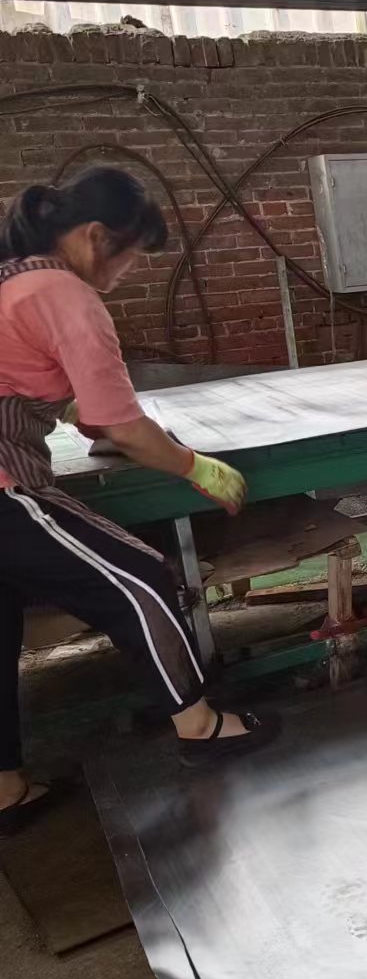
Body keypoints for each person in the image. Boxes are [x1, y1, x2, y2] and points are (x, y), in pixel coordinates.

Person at [0, 167, 279, 836]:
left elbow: (69, 402)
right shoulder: (65, 293)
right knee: (143, 577)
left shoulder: (13, 280)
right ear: (96, 236)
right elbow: (122, 427)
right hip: (6, 488)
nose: (125, 275)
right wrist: (195, 467)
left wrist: (92, 417)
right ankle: (201, 725)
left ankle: (5, 790)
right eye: (129, 258)